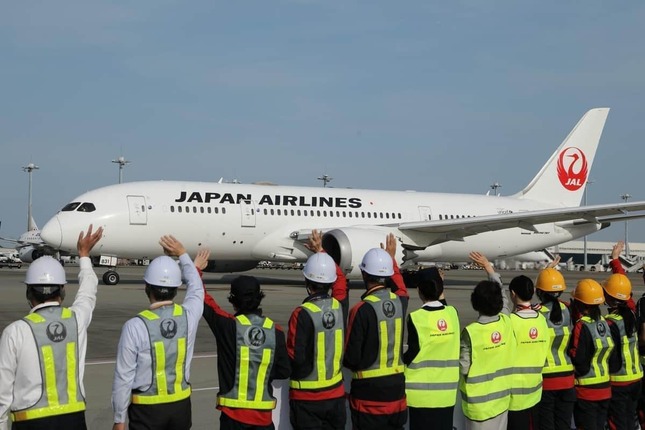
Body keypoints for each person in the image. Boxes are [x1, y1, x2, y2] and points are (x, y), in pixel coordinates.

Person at [0, 225, 103, 430]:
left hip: (31, 422)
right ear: (62, 291)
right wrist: (84, 255)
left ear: (29, 293)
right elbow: (88, 291)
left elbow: (2, 394)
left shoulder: (16, 331)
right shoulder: (76, 320)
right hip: (73, 421)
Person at [111, 236, 204, 430]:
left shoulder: (135, 326)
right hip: (180, 406)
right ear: (176, 288)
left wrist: (119, 419)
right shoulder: (188, 316)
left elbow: (124, 377)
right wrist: (183, 254)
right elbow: (196, 288)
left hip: (147, 409)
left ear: (147, 287)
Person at [201, 267, 290, 429]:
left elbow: (204, 301)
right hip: (264, 419)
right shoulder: (275, 331)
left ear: (233, 301)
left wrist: (196, 271)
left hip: (233, 418)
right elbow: (284, 370)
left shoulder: (229, 327)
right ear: (259, 298)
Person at [343, 233, 409, 430]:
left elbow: (351, 358)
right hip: (397, 390)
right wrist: (391, 259)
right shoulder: (400, 302)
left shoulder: (361, 310)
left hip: (369, 395)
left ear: (363, 274)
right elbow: (402, 289)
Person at [286, 231, 346, 430]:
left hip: (307, 398)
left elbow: (295, 356)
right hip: (336, 395)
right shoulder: (339, 306)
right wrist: (321, 252)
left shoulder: (302, 313)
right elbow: (341, 282)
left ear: (306, 282)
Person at [460, 252, 514, 430]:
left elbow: (463, 367)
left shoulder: (471, 332)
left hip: (479, 407)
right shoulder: (506, 321)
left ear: (475, 304)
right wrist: (488, 268)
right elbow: (503, 297)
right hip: (501, 402)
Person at [403, 267, 460, 430]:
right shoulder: (452, 313)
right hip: (446, 394)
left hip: (421, 395)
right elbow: (443, 307)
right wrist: (439, 285)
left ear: (419, 291)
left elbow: (412, 353)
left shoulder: (416, 317)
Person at [568, 278, 616, 430]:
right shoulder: (605, 322)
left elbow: (578, 358)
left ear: (580, 303)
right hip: (605, 389)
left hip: (587, 391)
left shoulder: (581, 325)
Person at [534, 266, 576, 430]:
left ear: (539, 291)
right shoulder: (568, 309)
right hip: (567, 378)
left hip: (547, 379)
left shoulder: (537, 313)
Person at [506, 275, 549, 429]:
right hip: (536, 390)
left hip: (514, 396)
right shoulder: (542, 320)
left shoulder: (511, 321)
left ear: (512, 293)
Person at [603, 271, 642, 429]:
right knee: (630, 421)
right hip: (636, 377)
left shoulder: (610, 323)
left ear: (609, 298)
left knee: (617, 423)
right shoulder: (632, 314)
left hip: (619, 381)